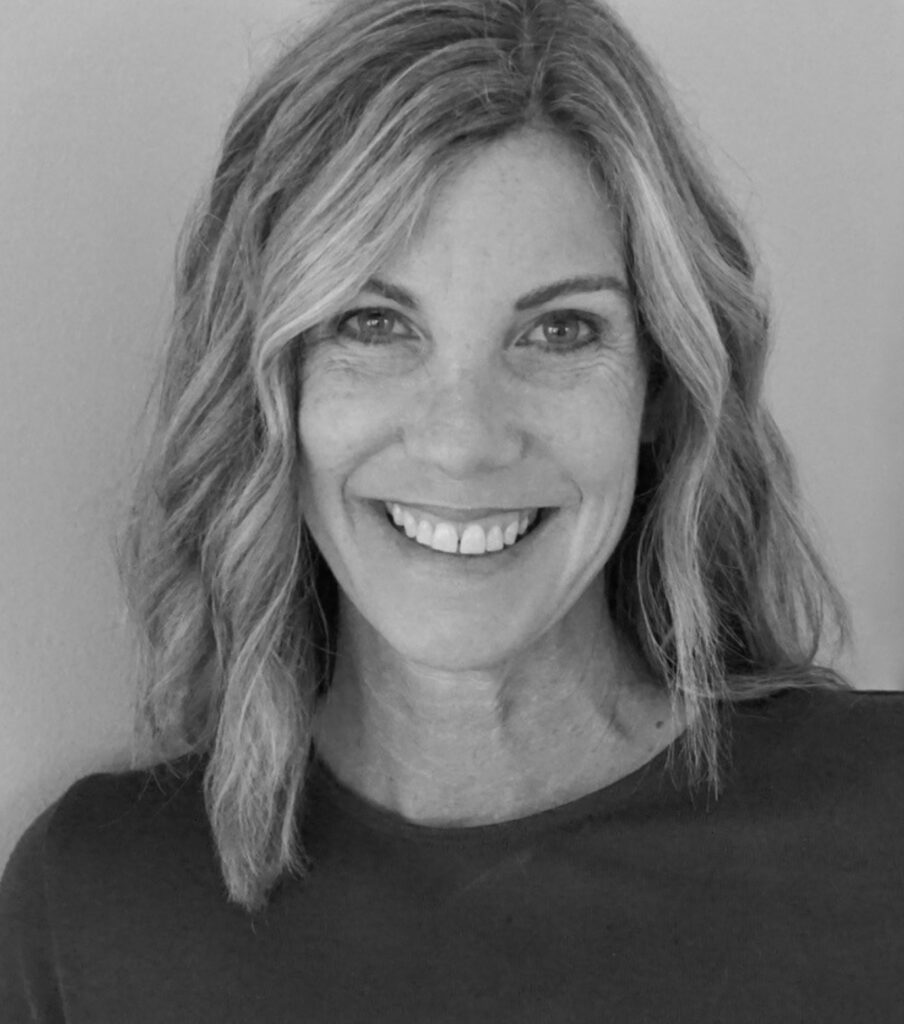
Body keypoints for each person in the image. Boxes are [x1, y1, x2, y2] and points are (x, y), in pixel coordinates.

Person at [1, 0, 902, 1020]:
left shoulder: (882, 829)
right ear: (269, 386)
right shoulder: (89, 910)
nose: (463, 439)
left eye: (560, 331)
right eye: (372, 324)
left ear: (660, 385)